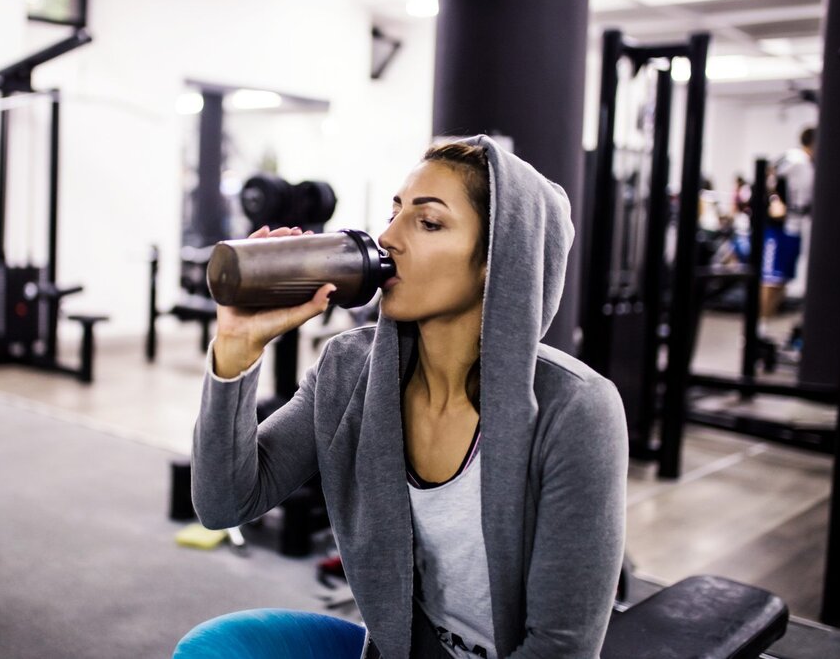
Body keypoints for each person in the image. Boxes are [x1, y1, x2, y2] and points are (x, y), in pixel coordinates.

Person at [176, 136, 628, 658]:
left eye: (428, 222)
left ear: (497, 261)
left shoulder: (577, 409)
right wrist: (236, 349)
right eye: (395, 212)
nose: (388, 237)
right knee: (214, 649)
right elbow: (224, 502)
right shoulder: (350, 370)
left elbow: (559, 649)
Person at [761, 126, 815, 319]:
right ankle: (758, 329)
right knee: (771, 279)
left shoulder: (811, 164)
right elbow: (768, 173)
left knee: (783, 278)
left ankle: (766, 325)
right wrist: (776, 201)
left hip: (796, 226)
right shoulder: (794, 158)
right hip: (779, 227)